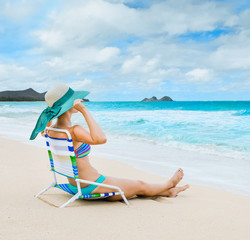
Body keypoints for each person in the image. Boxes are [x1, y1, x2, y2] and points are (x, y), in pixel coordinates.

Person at [30, 84, 189, 201]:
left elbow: (47, 125)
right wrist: (85, 111)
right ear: (71, 105)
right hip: (90, 186)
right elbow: (101, 139)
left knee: (131, 186)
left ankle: (168, 192)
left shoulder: (49, 130)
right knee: (139, 183)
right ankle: (169, 184)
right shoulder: (74, 131)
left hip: (72, 185)